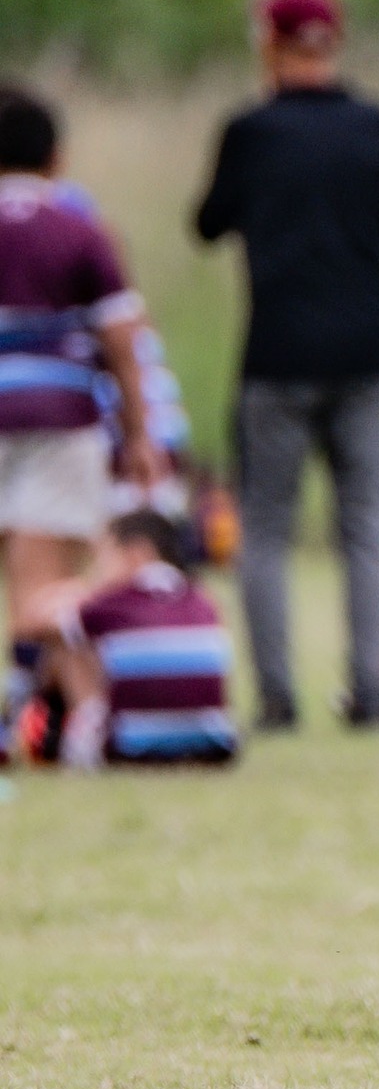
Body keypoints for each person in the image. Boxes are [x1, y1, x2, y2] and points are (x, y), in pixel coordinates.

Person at [194, 0, 379, 731]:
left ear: (271, 42)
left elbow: (209, 221)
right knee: (368, 528)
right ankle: (372, 695)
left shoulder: (251, 130)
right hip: (366, 348)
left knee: (267, 531)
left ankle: (278, 698)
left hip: (277, 354)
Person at [0, 85, 163, 753]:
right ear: (57, 157)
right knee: (45, 588)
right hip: (59, 421)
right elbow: (122, 343)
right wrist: (140, 433)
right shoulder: (81, 230)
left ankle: (29, 718)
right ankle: (77, 721)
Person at [13, 509, 236, 768]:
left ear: (135, 555)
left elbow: (30, 621)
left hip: (127, 749)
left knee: (65, 643)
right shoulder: (202, 600)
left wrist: (86, 588)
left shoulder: (112, 604)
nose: (98, 570)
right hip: (213, 745)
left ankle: (39, 726)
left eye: (102, 558)